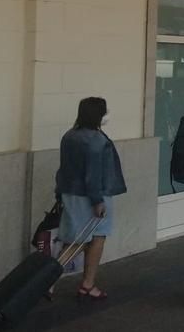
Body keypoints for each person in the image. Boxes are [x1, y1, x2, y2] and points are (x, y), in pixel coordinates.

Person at [55, 97, 127, 301]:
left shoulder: (70, 135)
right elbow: (93, 174)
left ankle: (85, 284)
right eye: (104, 111)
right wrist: (98, 201)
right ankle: (56, 281)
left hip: (71, 192)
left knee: (81, 238)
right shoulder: (97, 140)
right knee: (86, 240)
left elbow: (64, 168)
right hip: (94, 195)